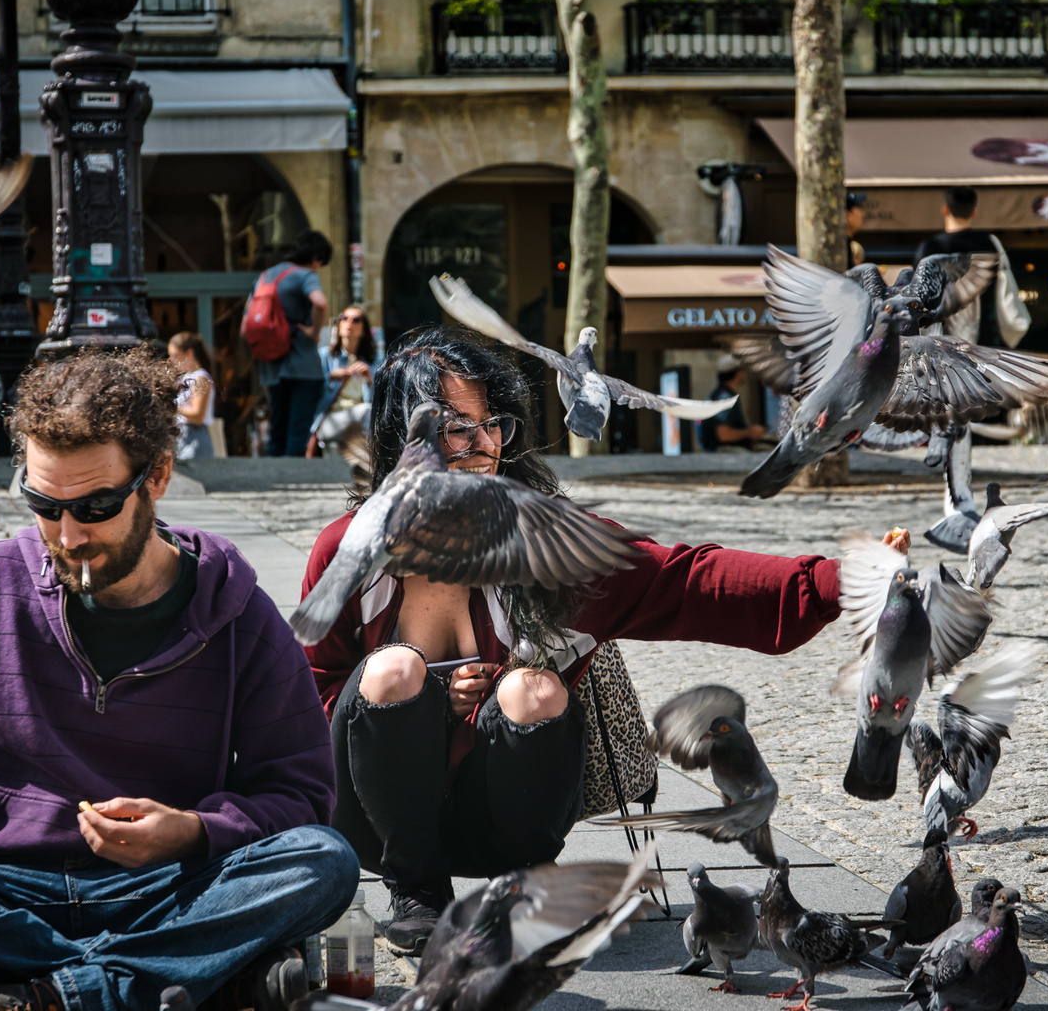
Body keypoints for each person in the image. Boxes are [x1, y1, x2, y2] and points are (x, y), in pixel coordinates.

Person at [0, 348, 357, 1011]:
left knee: (322, 862)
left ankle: (46, 996)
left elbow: (304, 800)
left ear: (159, 476)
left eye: (97, 506)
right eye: (44, 504)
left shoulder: (241, 616)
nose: (69, 534)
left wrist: (193, 830)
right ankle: (179, 982)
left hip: (168, 888)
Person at [301, 328, 848, 954]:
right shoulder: (351, 550)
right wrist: (427, 706)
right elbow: (307, 709)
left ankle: (522, 888)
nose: (482, 446)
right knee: (394, 672)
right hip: (376, 820)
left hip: (507, 816)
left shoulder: (547, 549)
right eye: (456, 425)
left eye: (492, 424)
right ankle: (418, 892)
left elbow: (684, 580)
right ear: (403, 438)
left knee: (535, 688)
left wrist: (839, 584)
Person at [255, 231, 331, 456]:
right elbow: (320, 302)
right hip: (305, 368)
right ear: (315, 257)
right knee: (297, 434)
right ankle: (294, 484)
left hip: (273, 366)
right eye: (320, 262)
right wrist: (314, 332)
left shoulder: (266, 276)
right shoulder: (305, 275)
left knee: (276, 431)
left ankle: (271, 485)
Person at [312, 306, 382, 449]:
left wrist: (369, 381)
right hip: (329, 420)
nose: (349, 323)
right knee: (367, 413)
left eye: (356, 320)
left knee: (368, 414)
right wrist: (331, 377)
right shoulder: (325, 356)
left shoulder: (373, 363)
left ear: (363, 330)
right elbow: (310, 391)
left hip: (361, 419)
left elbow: (376, 403)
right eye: (344, 318)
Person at [697, 355, 767, 451]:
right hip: (727, 454)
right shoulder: (725, 398)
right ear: (738, 373)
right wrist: (750, 432)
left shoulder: (720, 394)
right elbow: (723, 434)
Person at [167, 331, 217, 460]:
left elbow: (198, 415)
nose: (172, 361)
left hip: (194, 438)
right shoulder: (186, 378)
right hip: (182, 437)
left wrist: (171, 406)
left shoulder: (201, 378)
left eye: (175, 356)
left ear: (189, 353)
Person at [913, 185, 994, 263]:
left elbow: (917, 275)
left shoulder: (930, 247)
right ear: (974, 212)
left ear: (945, 210)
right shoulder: (988, 244)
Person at [846, 192, 867, 267]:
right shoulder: (839, 249)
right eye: (859, 208)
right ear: (847, 215)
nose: (863, 214)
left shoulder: (846, 244)